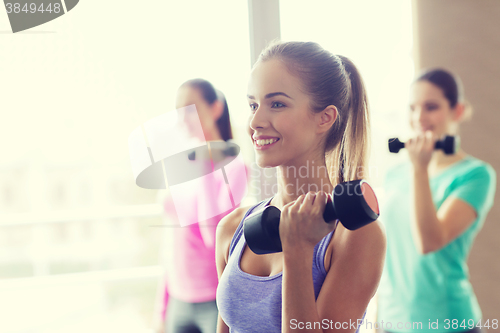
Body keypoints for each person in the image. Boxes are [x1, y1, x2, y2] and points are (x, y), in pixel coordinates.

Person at [215, 41, 386, 333]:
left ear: (325, 118)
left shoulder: (355, 236)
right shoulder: (233, 227)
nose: (255, 122)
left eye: (277, 104)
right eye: (253, 105)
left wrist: (297, 251)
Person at [377, 68, 497, 333]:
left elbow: (429, 242)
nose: (419, 118)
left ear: (457, 111)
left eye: (431, 107)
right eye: (413, 108)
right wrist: (379, 318)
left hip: (448, 322)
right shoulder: (395, 174)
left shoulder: (476, 175)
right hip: (392, 321)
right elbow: (390, 253)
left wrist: (420, 170)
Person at [153, 78, 248, 333]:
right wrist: (161, 308)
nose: (183, 118)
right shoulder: (181, 165)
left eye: (190, 108)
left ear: (215, 109)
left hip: (213, 299)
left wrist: (205, 167)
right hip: (177, 298)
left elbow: (213, 236)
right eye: (178, 110)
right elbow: (172, 239)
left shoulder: (235, 167)